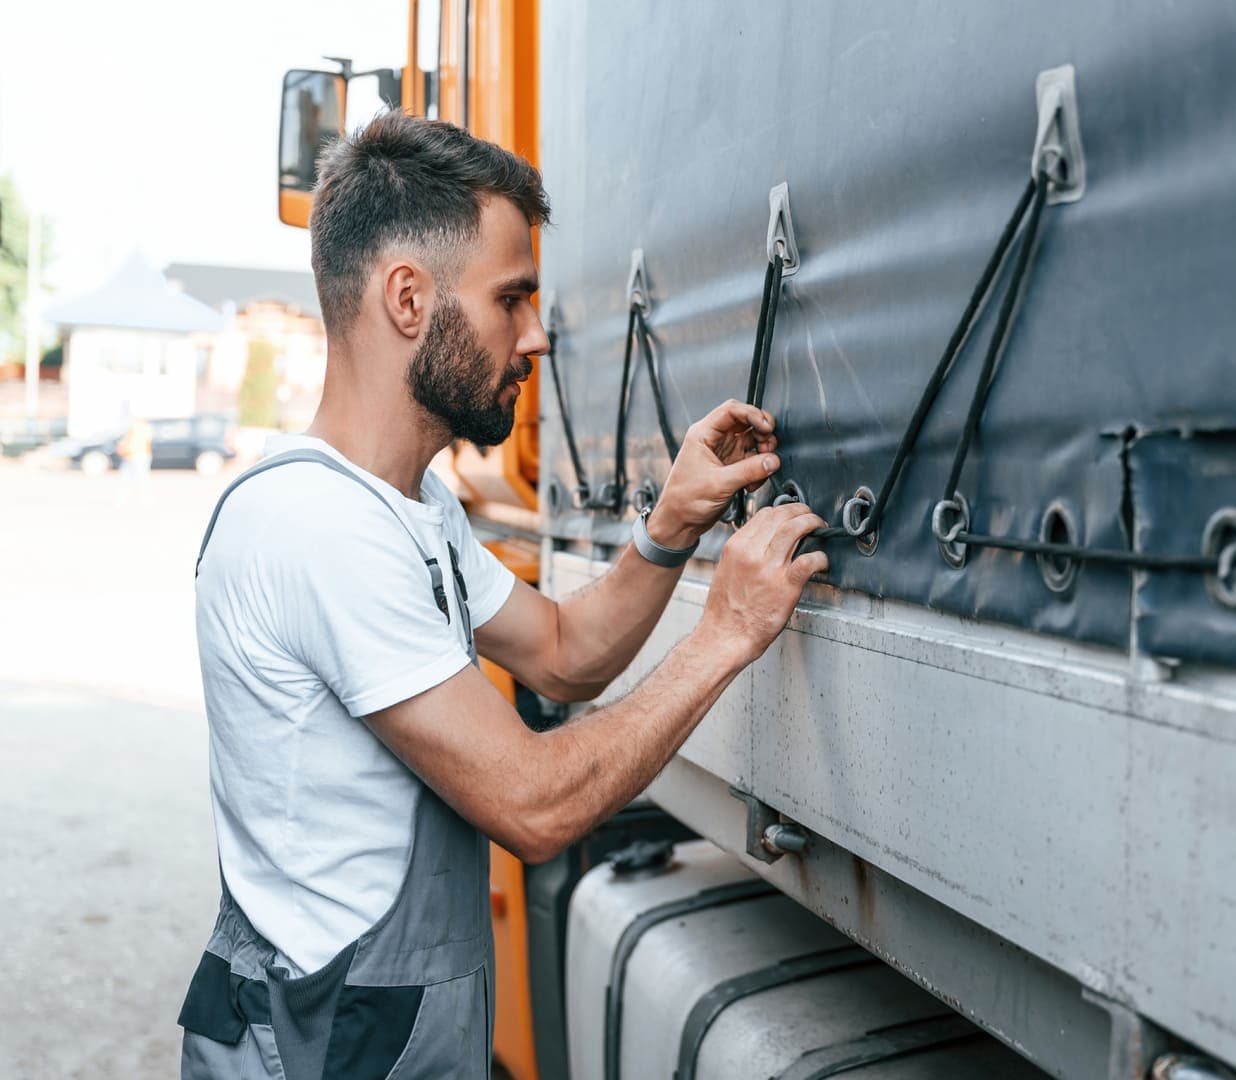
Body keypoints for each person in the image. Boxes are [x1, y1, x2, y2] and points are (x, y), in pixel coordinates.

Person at [179, 111, 827, 1079]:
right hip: (322, 1051)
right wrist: (724, 633)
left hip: (386, 1039)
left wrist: (670, 528)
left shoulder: (410, 507)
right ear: (408, 298)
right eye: (511, 299)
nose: (536, 339)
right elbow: (533, 806)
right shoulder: (315, 527)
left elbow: (566, 651)